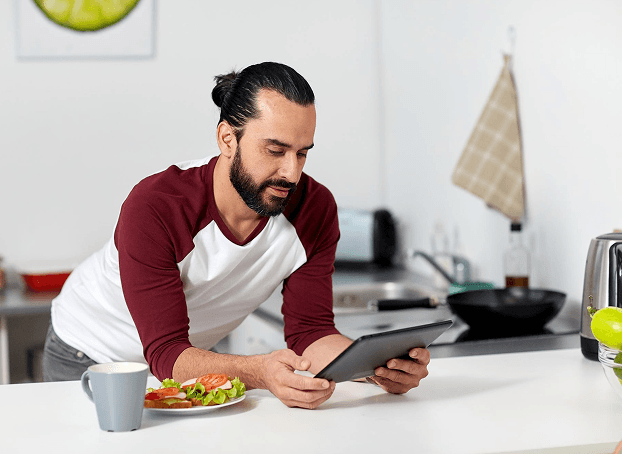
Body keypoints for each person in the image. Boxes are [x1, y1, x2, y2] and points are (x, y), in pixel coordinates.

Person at [42, 61, 430, 409]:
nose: (292, 173)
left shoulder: (315, 209)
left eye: (303, 153)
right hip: (90, 353)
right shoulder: (157, 206)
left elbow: (311, 331)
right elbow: (165, 351)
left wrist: (377, 368)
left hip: (185, 362)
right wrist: (261, 372)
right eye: (275, 150)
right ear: (228, 139)